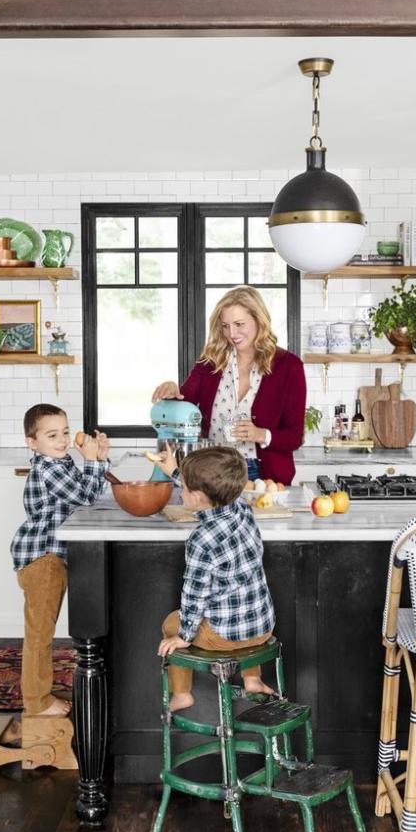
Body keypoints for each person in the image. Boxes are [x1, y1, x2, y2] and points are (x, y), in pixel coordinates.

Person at [154, 446, 276, 712]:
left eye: (183, 488)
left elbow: (193, 595)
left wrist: (184, 635)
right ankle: (252, 679)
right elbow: (207, 493)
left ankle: (182, 694)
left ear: (196, 497)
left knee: (171, 623)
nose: (181, 492)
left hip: (223, 637)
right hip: (263, 629)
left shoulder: (201, 539)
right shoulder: (242, 508)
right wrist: (176, 471)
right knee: (241, 610)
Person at [10, 405, 110, 716]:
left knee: (42, 630)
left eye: (65, 432)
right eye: (52, 435)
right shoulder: (49, 469)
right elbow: (87, 497)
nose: (62, 439)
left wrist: (99, 460)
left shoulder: (62, 463)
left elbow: (94, 491)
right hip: (43, 559)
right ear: (32, 442)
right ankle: (38, 703)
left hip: (52, 558)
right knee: (39, 633)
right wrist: (92, 461)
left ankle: (41, 695)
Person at [152, 285, 306, 485]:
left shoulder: (289, 367)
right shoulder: (211, 362)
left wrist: (260, 434)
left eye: (239, 324)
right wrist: (171, 389)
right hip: (213, 471)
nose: (232, 333)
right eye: (225, 326)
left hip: (263, 476)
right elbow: (183, 403)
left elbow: (294, 437)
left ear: (259, 320)